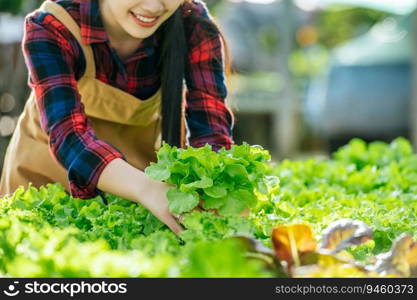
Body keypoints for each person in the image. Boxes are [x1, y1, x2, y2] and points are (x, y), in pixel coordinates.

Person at [0, 0, 234, 234]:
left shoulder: (193, 24)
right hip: (43, 185)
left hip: (139, 198)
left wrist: (213, 195)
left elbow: (212, 136)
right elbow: (69, 135)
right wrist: (147, 189)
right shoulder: (53, 25)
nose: (153, 7)